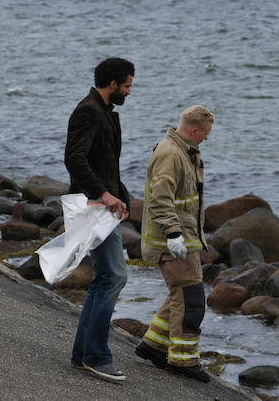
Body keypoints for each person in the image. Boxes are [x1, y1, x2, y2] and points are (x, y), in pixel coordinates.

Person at [65, 57, 134, 383]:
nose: (129, 92)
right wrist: (104, 196)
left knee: (106, 276)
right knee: (114, 276)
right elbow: (74, 158)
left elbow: (106, 164)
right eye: (127, 85)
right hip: (92, 206)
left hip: (105, 206)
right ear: (113, 83)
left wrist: (122, 197)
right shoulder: (88, 111)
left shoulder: (105, 112)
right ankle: (95, 356)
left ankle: (84, 354)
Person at [134, 105, 214, 383]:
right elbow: (160, 199)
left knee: (180, 295)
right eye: (205, 134)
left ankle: (152, 346)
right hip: (173, 243)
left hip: (186, 239)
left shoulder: (183, 151)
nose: (206, 139)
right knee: (191, 300)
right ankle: (182, 361)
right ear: (194, 131)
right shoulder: (171, 154)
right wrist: (173, 235)